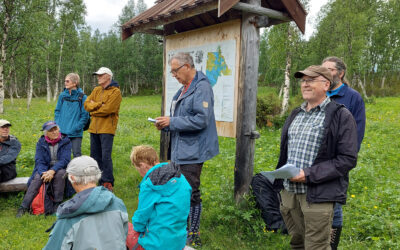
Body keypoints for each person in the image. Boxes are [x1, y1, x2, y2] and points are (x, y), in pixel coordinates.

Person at [274, 65, 358, 249]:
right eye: (303, 81)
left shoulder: (341, 115)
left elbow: (347, 159)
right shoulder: (296, 113)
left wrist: (308, 174)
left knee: (316, 246)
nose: (305, 84)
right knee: (297, 243)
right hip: (290, 194)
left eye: (311, 80)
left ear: (326, 84)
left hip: (317, 196)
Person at [155, 52, 219, 246]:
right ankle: (182, 229)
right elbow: (182, 116)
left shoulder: (202, 87)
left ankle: (194, 234)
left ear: (187, 67)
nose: (173, 75)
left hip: (193, 151)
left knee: (190, 192)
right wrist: (166, 123)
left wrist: (172, 121)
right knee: (180, 191)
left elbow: (201, 119)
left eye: (175, 71)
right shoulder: (184, 89)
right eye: (172, 71)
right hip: (179, 148)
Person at [322, 56, 366, 249]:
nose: (324, 72)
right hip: (315, 159)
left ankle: (332, 243)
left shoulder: (352, 97)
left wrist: (344, 160)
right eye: (322, 68)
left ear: (340, 73)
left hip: (337, 161)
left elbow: (357, 132)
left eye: (329, 69)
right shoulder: (319, 93)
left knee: (335, 201)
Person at [43, 155, 128, 249]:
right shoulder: (118, 204)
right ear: (97, 175)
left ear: (72, 178)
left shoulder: (68, 216)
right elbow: (123, 236)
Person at [128, 145, 191, 250]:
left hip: (156, 244)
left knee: (125, 230)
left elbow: (140, 219)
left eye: (137, 168)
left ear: (142, 165)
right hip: (179, 240)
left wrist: (136, 227)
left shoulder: (149, 185)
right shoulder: (180, 176)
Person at [16, 121, 71, 217]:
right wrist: (43, 173)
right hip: (45, 168)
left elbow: (65, 160)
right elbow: (39, 161)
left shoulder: (65, 140)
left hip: (60, 167)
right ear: (46, 133)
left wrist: (52, 171)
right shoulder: (41, 142)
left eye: (55, 129)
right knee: (37, 178)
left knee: (60, 174)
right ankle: (24, 206)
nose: (54, 132)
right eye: (51, 130)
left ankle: (57, 204)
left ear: (59, 129)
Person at [84, 67, 122, 192]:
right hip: (94, 128)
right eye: (97, 75)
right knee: (94, 156)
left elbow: (109, 110)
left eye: (100, 75)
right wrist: (98, 104)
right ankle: (97, 180)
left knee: (105, 156)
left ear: (108, 76)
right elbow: (86, 104)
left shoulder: (115, 92)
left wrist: (93, 112)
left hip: (106, 128)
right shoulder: (96, 90)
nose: (98, 77)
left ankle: (107, 182)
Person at [55, 73, 89, 158]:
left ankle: (77, 171)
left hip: (76, 133)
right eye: (65, 81)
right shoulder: (62, 95)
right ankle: (63, 171)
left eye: (67, 81)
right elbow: (57, 111)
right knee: (62, 155)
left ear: (75, 83)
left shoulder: (82, 97)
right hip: (62, 132)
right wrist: (58, 125)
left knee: (76, 155)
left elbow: (85, 116)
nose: (65, 83)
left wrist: (77, 128)